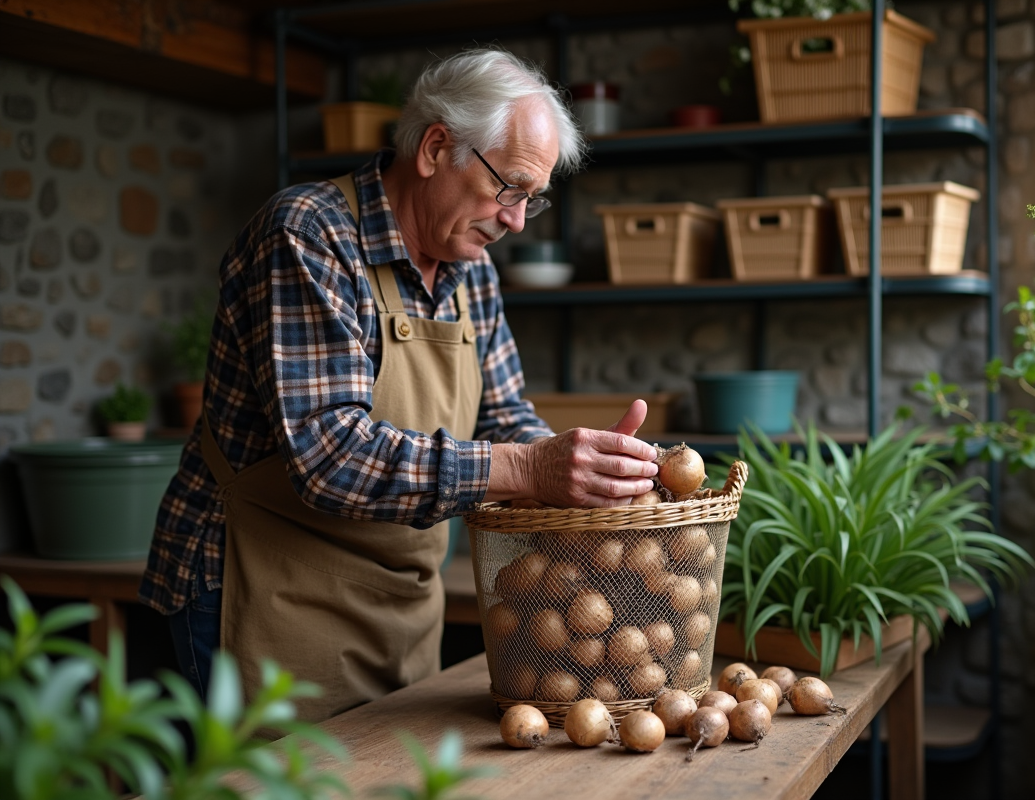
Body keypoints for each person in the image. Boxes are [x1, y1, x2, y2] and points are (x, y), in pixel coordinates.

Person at [139, 48, 660, 723]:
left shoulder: (471, 271)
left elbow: (503, 416)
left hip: (397, 602)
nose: (517, 221)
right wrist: (531, 468)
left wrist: (583, 473)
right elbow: (332, 456)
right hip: (258, 591)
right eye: (510, 189)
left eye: (534, 198)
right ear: (437, 148)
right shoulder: (311, 234)